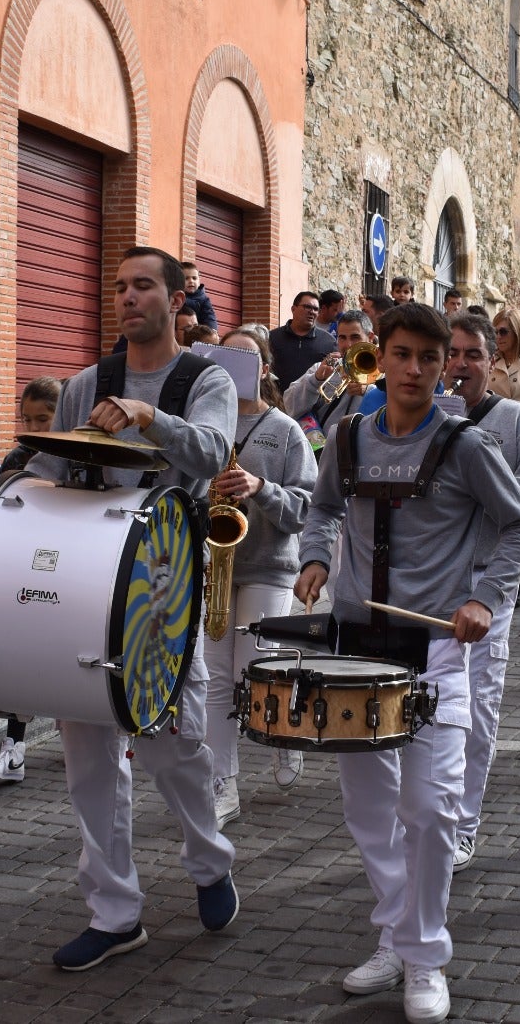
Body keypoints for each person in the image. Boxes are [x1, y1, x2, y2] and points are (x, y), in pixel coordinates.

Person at [297, 303, 520, 1024]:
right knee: (369, 811)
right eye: (401, 354)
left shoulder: (467, 446)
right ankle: (398, 936)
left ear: (444, 367)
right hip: (356, 648)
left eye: (428, 359)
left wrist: (486, 599)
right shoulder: (347, 438)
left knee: (429, 811)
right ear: (383, 356)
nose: (413, 370)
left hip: (434, 652)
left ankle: (427, 956)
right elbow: (322, 510)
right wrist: (313, 556)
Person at [25, 246, 239, 971]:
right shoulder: (89, 380)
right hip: (87, 579)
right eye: (119, 287)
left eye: (143, 285)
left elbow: (212, 453)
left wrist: (151, 418)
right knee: (87, 756)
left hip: (163, 585)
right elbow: (52, 464)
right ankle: (114, 913)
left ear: (178, 300)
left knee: (170, 747)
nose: (126, 297)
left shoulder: (203, 377)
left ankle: (210, 860)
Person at [443, 315, 520, 871]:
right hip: (432, 583)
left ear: (493, 363)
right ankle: (431, 816)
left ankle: (465, 824)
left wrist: (483, 475)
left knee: (479, 710)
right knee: (430, 707)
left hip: (492, 578)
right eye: (453, 354)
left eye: (473, 355)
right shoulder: (427, 416)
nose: (460, 365)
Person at [205, 324, 317, 827]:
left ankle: (287, 731)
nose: (233, 368)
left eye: (245, 359)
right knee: (213, 681)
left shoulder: (285, 430)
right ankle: (221, 784)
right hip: (213, 567)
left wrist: (260, 487)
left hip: (269, 567)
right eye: (224, 357)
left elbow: (306, 509)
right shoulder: (205, 423)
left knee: (259, 674)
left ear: (265, 369)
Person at [0, 376, 63, 783]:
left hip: (70, 571)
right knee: (22, 654)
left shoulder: (83, 458)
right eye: (26, 419)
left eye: (43, 419)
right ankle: (14, 752)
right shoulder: (16, 459)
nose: (33, 429)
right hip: (24, 568)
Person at [282, 309, 378, 445]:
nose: (348, 345)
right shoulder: (322, 368)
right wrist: (315, 380)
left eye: (355, 337)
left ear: (370, 338)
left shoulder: (384, 374)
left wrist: (369, 392)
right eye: (342, 337)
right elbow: (289, 404)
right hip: (323, 453)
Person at [268, 291, 336, 390]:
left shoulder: (328, 342)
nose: (312, 311)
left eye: (316, 309)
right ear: (293, 309)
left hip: (313, 403)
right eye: (307, 307)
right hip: (277, 401)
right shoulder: (272, 337)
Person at [180, 260, 216, 329]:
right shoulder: (175, 296)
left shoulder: (204, 300)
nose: (191, 281)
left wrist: (212, 332)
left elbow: (210, 318)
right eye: (186, 278)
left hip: (196, 333)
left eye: (194, 278)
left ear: (199, 280)